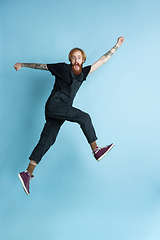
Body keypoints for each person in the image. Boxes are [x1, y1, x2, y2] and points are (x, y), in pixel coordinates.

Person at [14, 36, 124, 195]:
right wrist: (22, 64)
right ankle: (96, 150)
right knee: (84, 117)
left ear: (83, 59)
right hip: (55, 104)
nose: (76, 60)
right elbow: (42, 66)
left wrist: (116, 46)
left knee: (47, 140)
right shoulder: (63, 68)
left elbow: (102, 61)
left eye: (79, 57)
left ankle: (27, 173)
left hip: (61, 109)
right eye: (73, 57)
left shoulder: (84, 73)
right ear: (70, 60)